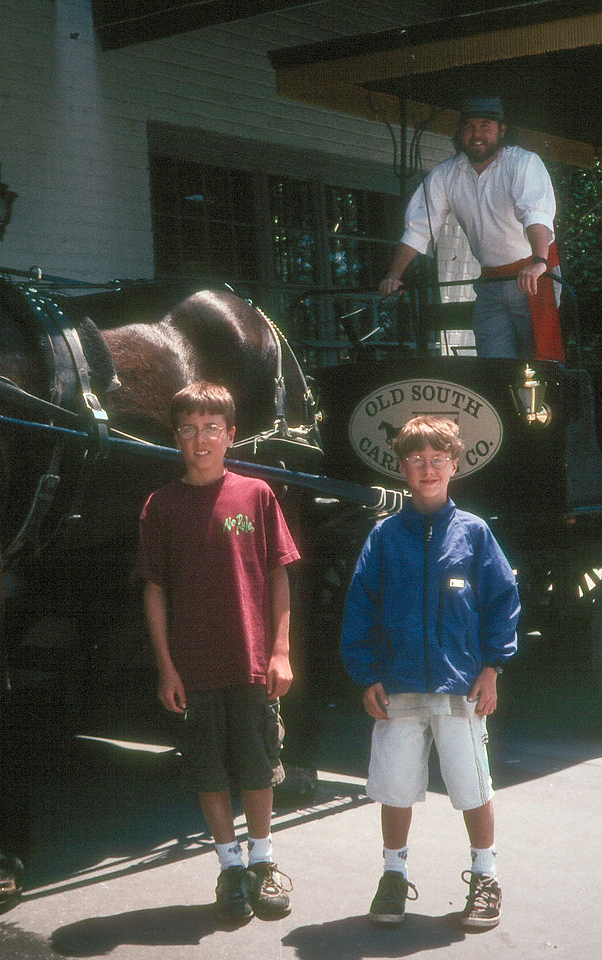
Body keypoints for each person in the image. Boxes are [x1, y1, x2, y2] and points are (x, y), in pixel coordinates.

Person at [340, 415, 521, 931]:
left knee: (471, 786)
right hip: (397, 687)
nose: (427, 469)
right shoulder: (383, 538)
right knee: (394, 788)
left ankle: (485, 876)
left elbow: (503, 602)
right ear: (401, 468)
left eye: (438, 459)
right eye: (416, 460)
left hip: (460, 687)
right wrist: (367, 673)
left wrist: (492, 668)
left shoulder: (475, 534)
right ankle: (393, 875)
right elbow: (360, 609)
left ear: (454, 466)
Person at [134, 381, 301, 923]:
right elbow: (154, 589)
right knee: (207, 770)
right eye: (188, 429)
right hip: (193, 667)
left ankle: (262, 862)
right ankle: (229, 868)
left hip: (251, 663)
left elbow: (278, 574)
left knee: (257, 766)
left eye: (211, 429)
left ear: (231, 435)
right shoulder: (160, 505)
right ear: (175, 436)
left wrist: (280, 651)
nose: (199, 440)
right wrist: (166, 666)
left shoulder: (255, 495)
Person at [378, 94, 557, 358]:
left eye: (485, 125)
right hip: (490, 283)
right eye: (470, 126)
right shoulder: (446, 174)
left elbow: (535, 213)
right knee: (493, 368)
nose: (477, 134)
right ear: (460, 131)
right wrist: (394, 275)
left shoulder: (522, 162)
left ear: (502, 129)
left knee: (543, 363)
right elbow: (418, 228)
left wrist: (539, 261)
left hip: (532, 277)